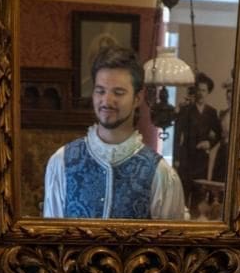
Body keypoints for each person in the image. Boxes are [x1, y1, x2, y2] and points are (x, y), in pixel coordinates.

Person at [43, 47, 185, 220]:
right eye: (100, 91)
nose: (107, 101)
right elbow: (51, 233)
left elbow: (171, 237)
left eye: (118, 93)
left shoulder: (161, 174)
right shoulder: (61, 162)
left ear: (138, 98)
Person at [173, 72, 222, 201]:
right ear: (195, 91)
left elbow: (219, 133)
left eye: (204, 90)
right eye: (199, 90)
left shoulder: (212, 112)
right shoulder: (186, 110)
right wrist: (176, 158)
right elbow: (177, 135)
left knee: (199, 198)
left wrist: (209, 143)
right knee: (183, 196)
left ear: (208, 92)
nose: (201, 93)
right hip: (186, 160)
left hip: (202, 161)